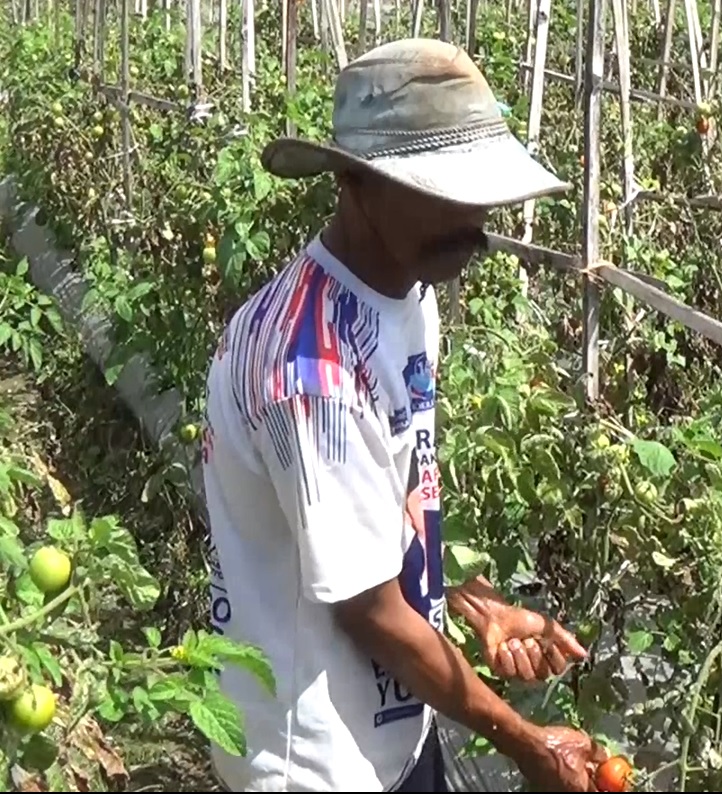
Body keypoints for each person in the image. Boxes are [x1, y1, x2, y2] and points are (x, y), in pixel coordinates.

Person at [199, 37, 606, 792]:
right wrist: (525, 743)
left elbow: (368, 521)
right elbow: (368, 610)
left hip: (389, 730)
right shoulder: (311, 372)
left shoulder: (406, 294)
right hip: (315, 763)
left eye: (478, 189)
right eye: (442, 191)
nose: (473, 217)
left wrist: (468, 604)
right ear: (356, 184)